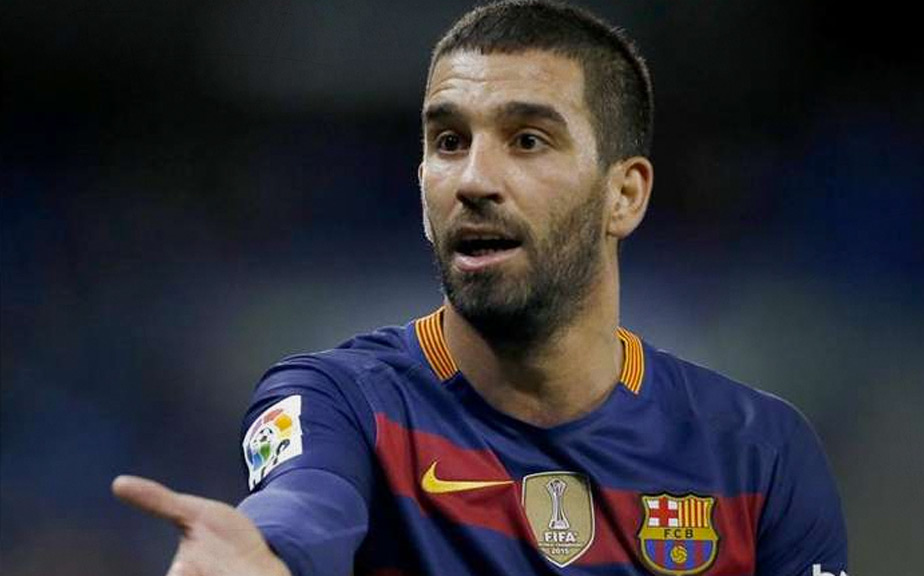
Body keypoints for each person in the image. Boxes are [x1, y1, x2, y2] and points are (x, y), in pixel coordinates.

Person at [113, 1, 848, 575]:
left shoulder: (759, 453)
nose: (473, 180)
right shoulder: (342, 402)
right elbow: (307, 502)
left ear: (623, 195)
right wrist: (268, 556)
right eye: (449, 141)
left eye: (528, 140)